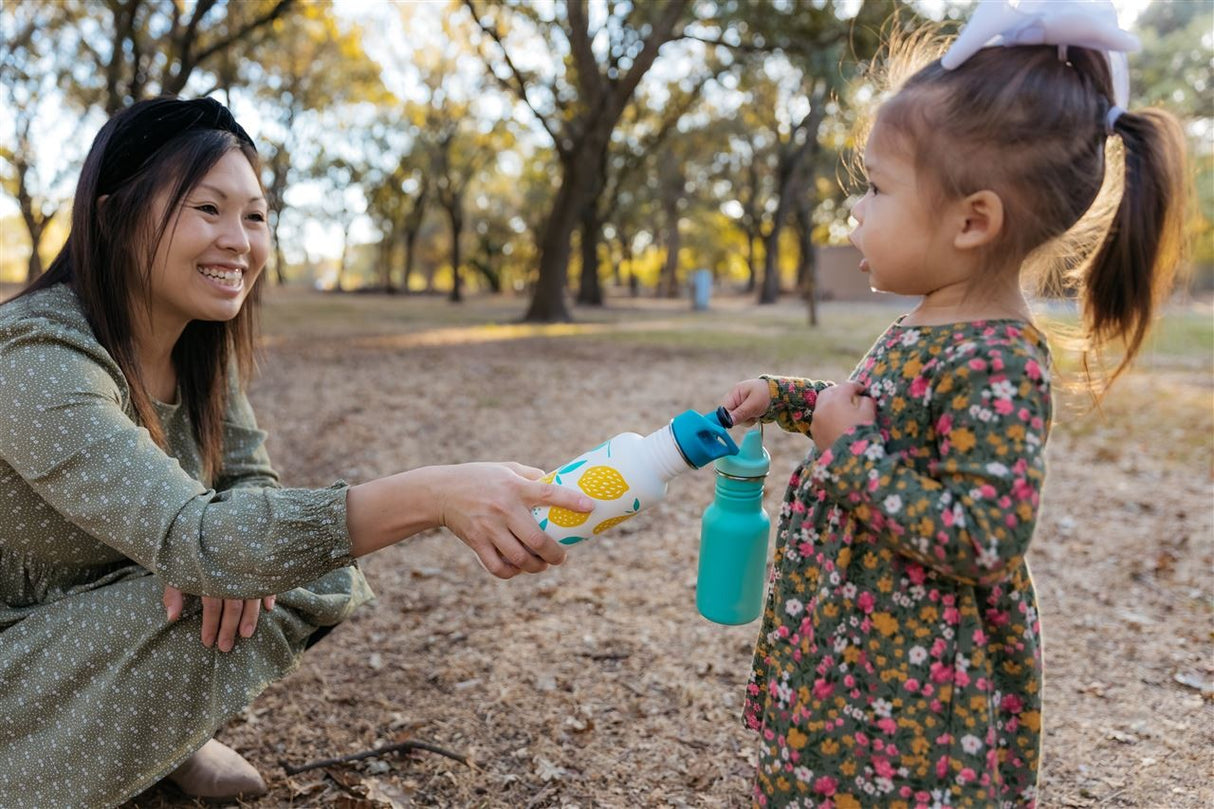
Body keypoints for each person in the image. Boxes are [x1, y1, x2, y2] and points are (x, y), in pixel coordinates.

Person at [0, 96, 595, 808]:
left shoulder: (195, 346)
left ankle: (157, 744)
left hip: (96, 614)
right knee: (257, 555)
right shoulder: (35, 357)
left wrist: (234, 557)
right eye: (207, 209)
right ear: (111, 216)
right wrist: (434, 495)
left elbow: (251, 481)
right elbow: (194, 533)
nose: (240, 240)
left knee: (288, 570)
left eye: (254, 215)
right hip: (17, 642)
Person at [718, 2, 1187, 806]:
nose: (855, 210)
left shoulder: (999, 361)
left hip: (914, 709)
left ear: (974, 221)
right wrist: (787, 399)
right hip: (854, 662)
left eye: (876, 187)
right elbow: (873, 412)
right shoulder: (930, 321)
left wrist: (847, 454)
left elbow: (984, 534)